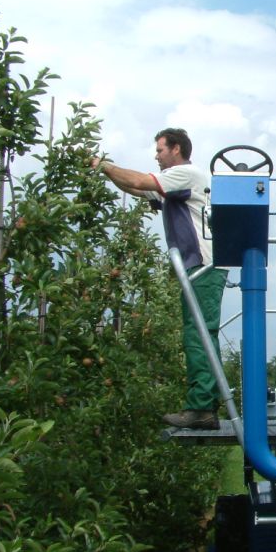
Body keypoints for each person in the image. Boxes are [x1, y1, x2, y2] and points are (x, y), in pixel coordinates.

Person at [92, 128, 227, 430]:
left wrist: (104, 165)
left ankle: (202, 407)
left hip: (203, 265)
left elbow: (142, 180)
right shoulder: (176, 184)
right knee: (199, 332)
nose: (156, 155)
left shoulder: (186, 174)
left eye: (160, 150)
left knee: (199, 333)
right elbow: (138, 190)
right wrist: (106, 172)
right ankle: (204, 404)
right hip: (198, 266)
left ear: (176, 149)